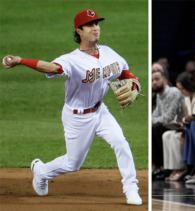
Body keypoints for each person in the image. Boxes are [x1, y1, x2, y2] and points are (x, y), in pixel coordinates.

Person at [2, 9, 142, 205]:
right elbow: (53, 68)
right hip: (77, 117)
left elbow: (123, 72)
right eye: (90, 25)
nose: (96, 28)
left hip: (101, 112)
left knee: (121, 143)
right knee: (73, 163)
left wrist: (133, 80)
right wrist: (20, 61)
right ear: (79, 31)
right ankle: (41, 171)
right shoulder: (71, 59)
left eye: (97, 24)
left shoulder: (109, 52)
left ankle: (131, 189)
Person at [162, 72, 195, 181]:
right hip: (190, 127)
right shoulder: (186, 99)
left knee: (194, 127)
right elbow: (188, 116)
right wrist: (183, 122)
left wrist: (189, 120)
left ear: (188, 85)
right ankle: (175, 168)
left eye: (182, 88)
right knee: (167, 134)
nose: (181, 91)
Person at [152, 68, 185, 180]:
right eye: (152, 80)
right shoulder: (159, 95)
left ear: (165, 81)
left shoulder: (173, 92)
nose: (154, 83)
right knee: (154, 127)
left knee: (156, 128)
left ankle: (164, 166)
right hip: (168, 125)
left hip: (179, 124)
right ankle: (158, 166)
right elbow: (155, 114)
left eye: (157, 79)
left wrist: (153, 120)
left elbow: (168, 117)